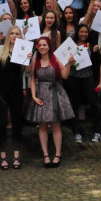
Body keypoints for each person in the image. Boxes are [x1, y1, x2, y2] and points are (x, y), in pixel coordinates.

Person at [0, 25, 33, 170]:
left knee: (16, 122)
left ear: (20, 36)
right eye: (12, 33)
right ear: (8, 35)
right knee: (1, 122)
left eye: (17, 34)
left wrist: (29, 61)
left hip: (16, 90)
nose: (14, 36)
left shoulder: (23, 50)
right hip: (0, 90)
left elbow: (27, 73)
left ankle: (16, 156)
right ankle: (3, 157)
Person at [26, 36, 74, 167]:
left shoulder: (55, 59)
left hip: (55, 93)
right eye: (39, 45)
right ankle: (46, 155)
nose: (42, 47)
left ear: (49, 47)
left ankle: (57, 154)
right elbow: (31, 78)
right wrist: (34, 96)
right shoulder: (35, 61)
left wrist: (69, 63)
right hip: (41, 94)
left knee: (55, 126)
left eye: (44, 45)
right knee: (42, 126)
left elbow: (64, 75)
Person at [63, 24, 101, 145]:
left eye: (86, 32)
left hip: (88, 77)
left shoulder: (92, 46)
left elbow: (97, 64)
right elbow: (62, 61)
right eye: (81, 32)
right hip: (73, 78)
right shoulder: (70, 46)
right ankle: (77, 132)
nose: (84, 34)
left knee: (94, 104)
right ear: (77, 33)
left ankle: (97, 131)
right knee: (74, 105)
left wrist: (95, 53)